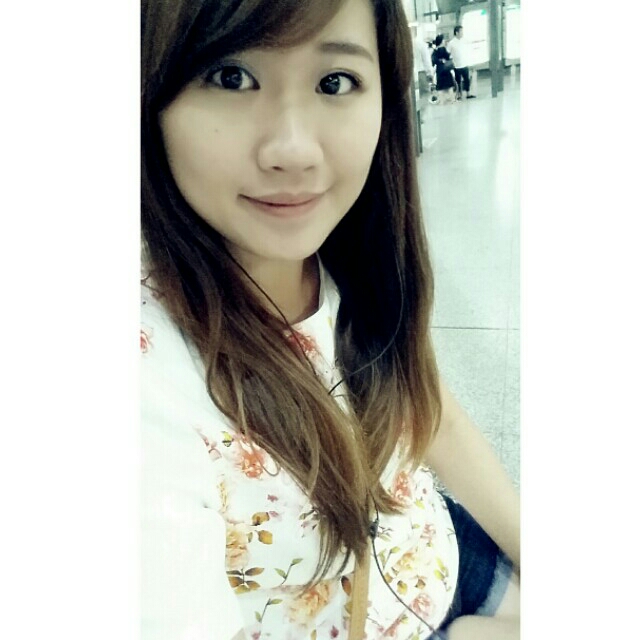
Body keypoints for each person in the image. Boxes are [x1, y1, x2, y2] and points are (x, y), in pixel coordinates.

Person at [141, 1, 520, 639]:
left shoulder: (349, 253)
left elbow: (429, 412)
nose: (293, 149)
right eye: (231, 76)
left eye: (335, 81)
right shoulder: (145, 380)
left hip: (442, 545)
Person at [447, 25, 475, 100]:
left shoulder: (464, 41)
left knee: (467, 80)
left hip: (464, 64)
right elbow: (448, 53)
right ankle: (459, 94)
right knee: (458, 81)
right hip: (456, 65)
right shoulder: (451, 43)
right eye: (461, 31)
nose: (462, 33)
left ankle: (468, 93)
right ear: (456, 33)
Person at [431, 35, 456, 104]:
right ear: (441, 41)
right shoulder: (444, 49)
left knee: (440, 86)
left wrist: (439, 61)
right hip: (446, 69)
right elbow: (448, 57)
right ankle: (452, 100)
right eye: (443, 40)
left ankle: (442, 101)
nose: (444, 41)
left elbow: (433, 61)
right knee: (449, 85)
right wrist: (444, 60)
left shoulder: (435, 51)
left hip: (439, 70)